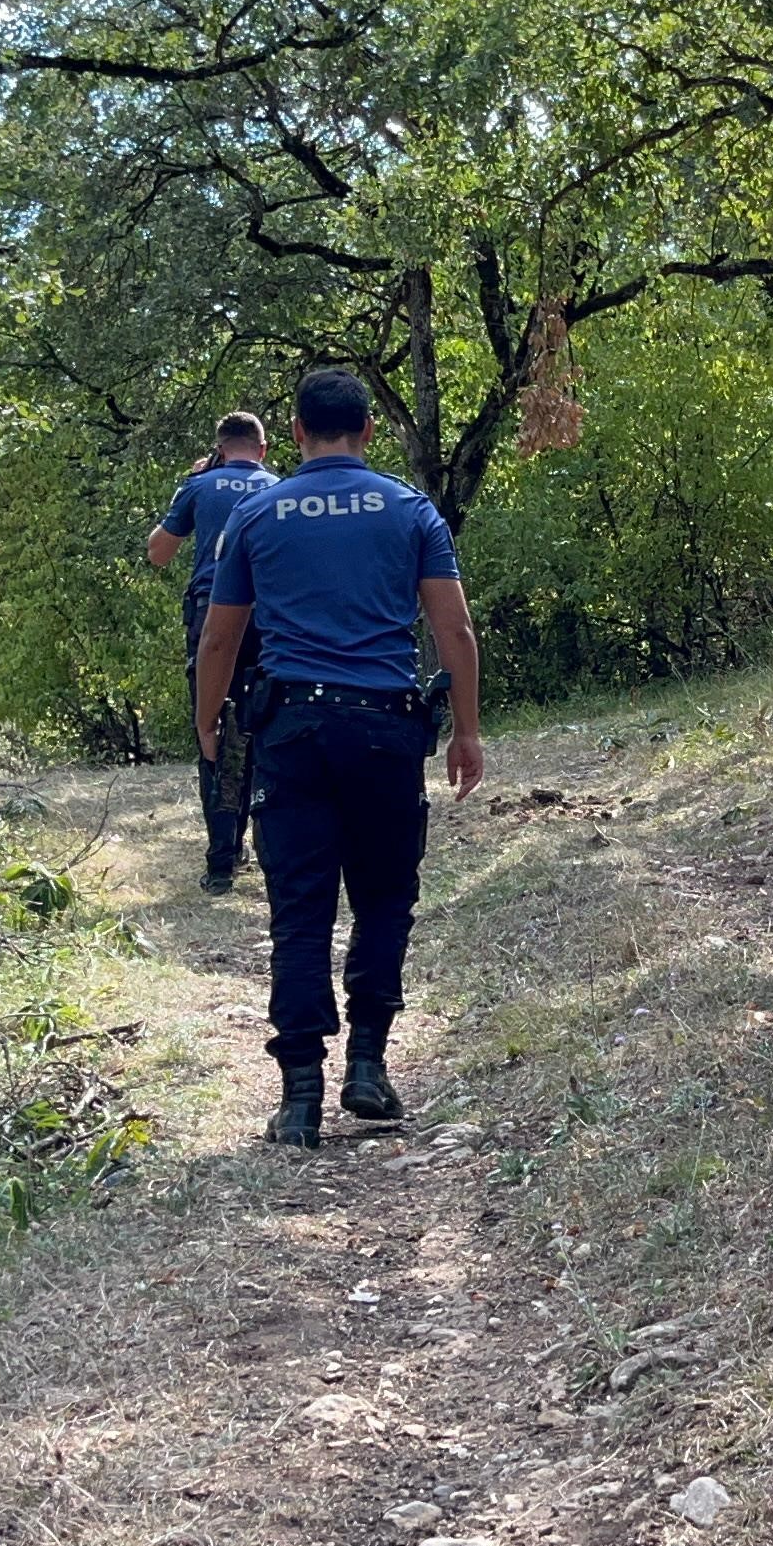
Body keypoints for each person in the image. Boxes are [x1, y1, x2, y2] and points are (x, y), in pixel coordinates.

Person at [193, 370, 487, 1148]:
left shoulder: (258, 514)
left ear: (295, 433)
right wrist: (466, 729)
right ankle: (367, 1065)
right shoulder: (410, 508)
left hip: (292, 732)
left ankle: (298, 1097)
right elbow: (455, 633)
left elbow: (220, 637)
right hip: (386, 730)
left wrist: (208, 724)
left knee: (300, 912)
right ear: (367, 429)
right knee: (385, 900)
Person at [149, 412, 280, 890]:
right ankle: (274, 857)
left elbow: (158, 553)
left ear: (221, 449)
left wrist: (194, 484)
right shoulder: (280, 487)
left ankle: (221, 865)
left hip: (212, 615)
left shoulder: (199, 486)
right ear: (263, 450)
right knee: (268, 729)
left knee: (214, 730)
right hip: (271, 619)